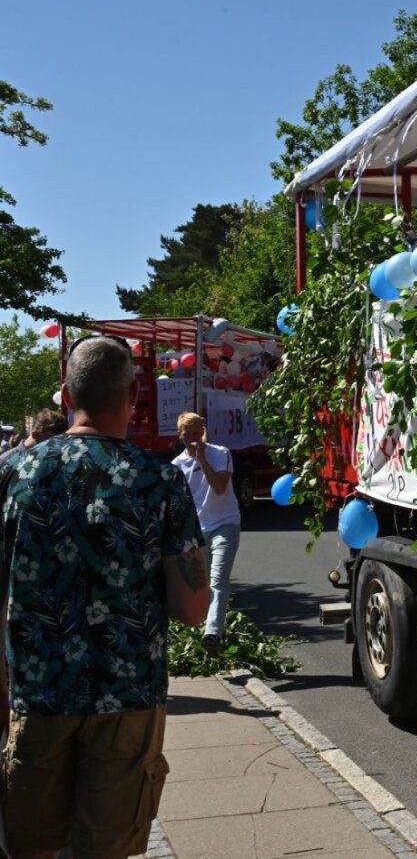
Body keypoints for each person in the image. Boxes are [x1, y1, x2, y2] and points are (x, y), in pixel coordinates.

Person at [0, 335, 208, 859]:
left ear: (66, 396)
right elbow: (191, 608)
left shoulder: (15, 474)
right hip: (128, 697)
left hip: (38, 692)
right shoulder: (159, 481)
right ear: (134, 397)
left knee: (32, 847)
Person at [173, 411, 241, 655]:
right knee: (200, 584)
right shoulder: (177, 466)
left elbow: (220, 487)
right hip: (198, 530)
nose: (192, 439)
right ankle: (202, 631)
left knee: (218, 579)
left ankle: (212, 633)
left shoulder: (220, 453)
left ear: (203, 432)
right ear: (180, 436)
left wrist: (202, 459)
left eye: (196, 433)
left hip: (225, 524)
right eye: (186, 435)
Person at [0, 408, 68, 467]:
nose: (55, 447)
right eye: (50, 442)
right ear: (35, 434)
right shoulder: (5, 461)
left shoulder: (57, 461)